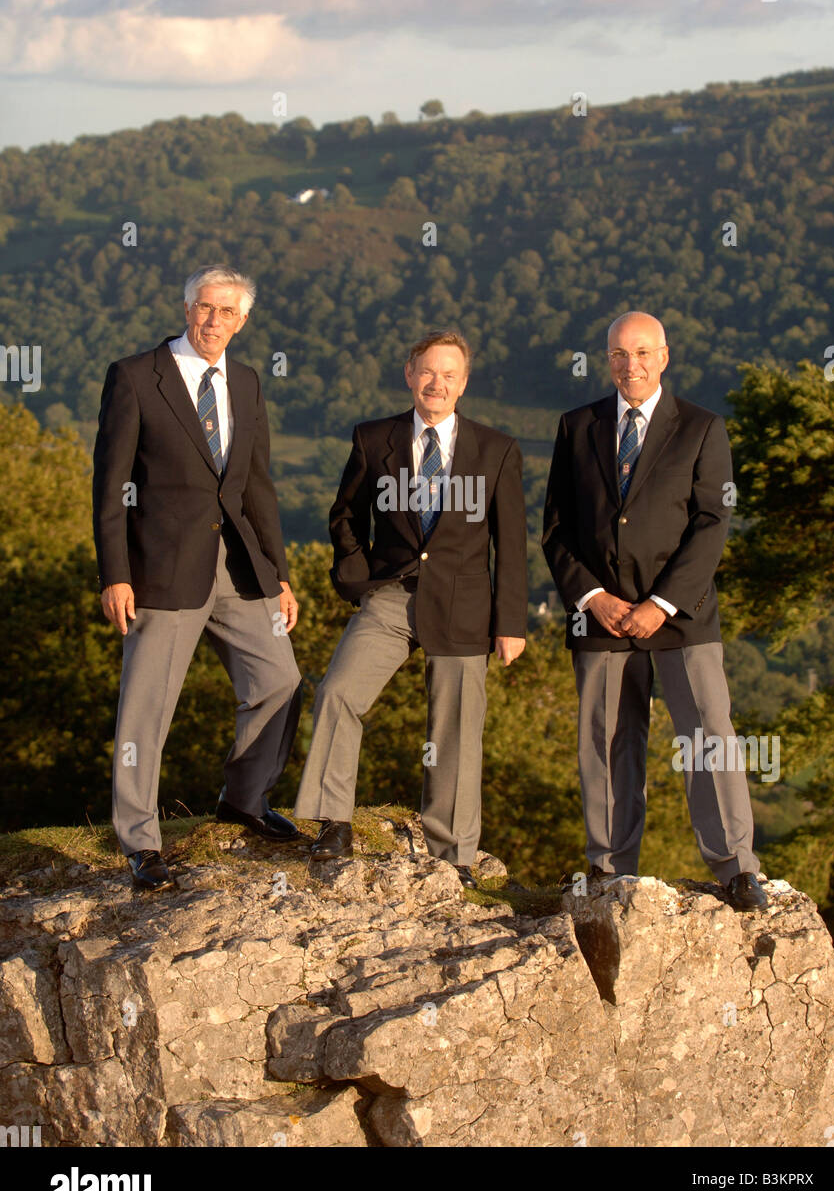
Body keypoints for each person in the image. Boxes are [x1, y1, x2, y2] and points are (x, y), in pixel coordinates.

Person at [542, 311, 767, 911]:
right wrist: (596, 599)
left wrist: (661, 604)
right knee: (608, 743)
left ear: (664, 357)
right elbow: (557, 530)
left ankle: (737, 868)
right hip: (604, 619)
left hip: (682, 618)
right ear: (606, 359)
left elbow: (713, 524)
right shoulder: (576, 426)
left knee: (707, 737)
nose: (630, 365)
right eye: (619, 354)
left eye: (642, 353)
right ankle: (610, 870)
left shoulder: (700, 428)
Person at [93, 265, 307, 889]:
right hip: (161, 567)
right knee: (147, 707)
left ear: (244, 321)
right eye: (205, 308)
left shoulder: (245, 381)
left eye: (228, 312)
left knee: (280, 680)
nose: (215, 321)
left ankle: (243, 800)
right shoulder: (136, 376)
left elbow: (256, 488)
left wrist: (279, 576)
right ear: (187, 308)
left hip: (239, 566)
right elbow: (110, 486)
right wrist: (116, 573)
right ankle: (139, 842)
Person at [294, 330, 528, 886]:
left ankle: (454, 857)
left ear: (464, 383)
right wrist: (357, 578)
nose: (437, 383)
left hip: (465, 605)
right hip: (391, 598)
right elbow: (344, 515)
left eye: (449, 374)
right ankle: (333, 824)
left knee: (456, 728)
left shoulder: (496, 449)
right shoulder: (374, 438)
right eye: (427, 371)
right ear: (409, 374)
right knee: (337, 693)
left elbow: (512, 543)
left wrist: (510, 623)